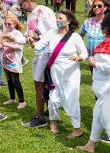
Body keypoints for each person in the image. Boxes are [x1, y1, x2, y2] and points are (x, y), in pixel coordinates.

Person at [28, 10, 88, 138]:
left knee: (72, 98)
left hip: (71, 72)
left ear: (69, 21)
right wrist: (33, 43)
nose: (57, 20)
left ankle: (77, 129)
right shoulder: (51, 33)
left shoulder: (74, 37)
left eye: (60, 18)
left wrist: (79, 58)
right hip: (55, 70)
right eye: (57, 18)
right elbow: (39, 46)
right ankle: (53, 123)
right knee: (53, 98)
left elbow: (85, 53)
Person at [3, 0, 57, 128]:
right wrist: (13, 38)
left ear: (27, 1)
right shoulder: (32, 15)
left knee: (39, 83)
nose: (21, 7)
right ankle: (49, 111)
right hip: (39, 52)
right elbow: (28, 36)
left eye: (21, 4)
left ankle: (40, 117)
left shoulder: (44, 11)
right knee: (41, 84)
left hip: (46, 52)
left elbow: (53, 30)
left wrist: (40, 42)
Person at [76, 14, 110, 153]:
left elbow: (108, 67)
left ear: (105, 29)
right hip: (109, 87)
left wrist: (93, 62)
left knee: (107, 122)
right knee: (97, 117)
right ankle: (90, 145)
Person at [0, 14, 26, 109]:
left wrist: (5, 44)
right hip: (5, 60)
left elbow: (18, 47)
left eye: (9, 23)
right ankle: (12, 98)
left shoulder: (17, 34)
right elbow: (1, 44)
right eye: (6, 23)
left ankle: (22, 101)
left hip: (14, 61)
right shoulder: (5, 32)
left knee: (15, 81)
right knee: (9, 81)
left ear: (15, 23)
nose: (7, 25)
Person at [80, 0, 110, 73]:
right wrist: (81, 49)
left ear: (105, 7)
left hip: (106, 57)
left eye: (99, 6)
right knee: (95, 79)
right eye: (94, 6)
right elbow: (81, 34)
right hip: (92, 58)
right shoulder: (87, 22)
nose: (96, 8)